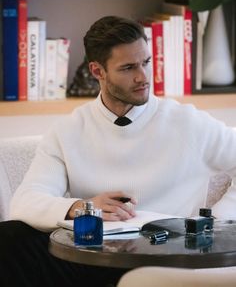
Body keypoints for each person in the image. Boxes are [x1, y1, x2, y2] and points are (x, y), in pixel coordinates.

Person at [1, 15, 236, 286]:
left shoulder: (188, 123)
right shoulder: (68, 130)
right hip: (92, 256)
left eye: (146, 62)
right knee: (8, 238)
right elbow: (25, 202)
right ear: (97, 71)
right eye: (128, 68)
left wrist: (217, 221)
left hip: (160, 257)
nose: (142, 76)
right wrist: (82, 208)